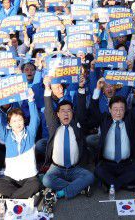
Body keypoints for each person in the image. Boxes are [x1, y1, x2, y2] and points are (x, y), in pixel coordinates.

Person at [41, 76, 94, 204]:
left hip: (75, 168)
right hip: (56, 168)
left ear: (72, 113)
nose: (66, 114)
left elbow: (81, 108)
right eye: (62, 111)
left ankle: (61, 192)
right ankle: (79, 188)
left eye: (69, 111)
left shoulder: (76, 125)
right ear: (57, 114)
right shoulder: (54, 126)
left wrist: (81, 87)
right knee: (46, 180)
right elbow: (48, 109)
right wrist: (47, 88)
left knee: (90, 176)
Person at [90, 81, 135, 192]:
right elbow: (93, 108)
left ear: (125, 110)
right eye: (115, 109)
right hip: (107, 164)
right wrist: (97, 89)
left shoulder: (129, 119)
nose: (118, 113)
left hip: (126, 164)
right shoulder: (105, 119)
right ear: (110, 110)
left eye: (121, 109)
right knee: (98, 171)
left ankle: (112, 184)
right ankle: (125, 185)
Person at [0, 91, 42, 200]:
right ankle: (23, 195)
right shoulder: (7, 135)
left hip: (29, 177)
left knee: (36, 185)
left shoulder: (30, 133)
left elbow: (35, 118)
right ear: (9, 123)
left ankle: (12, 198)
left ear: (24, 121)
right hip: (11, 177)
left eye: (20, 120)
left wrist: (31, 100)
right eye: (14, 121)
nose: (17, 123)